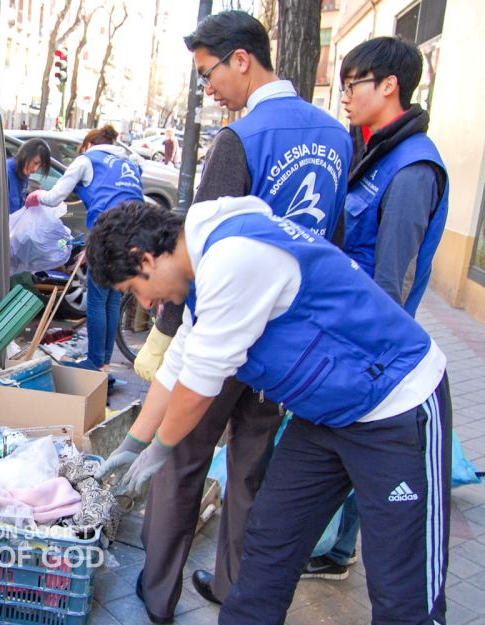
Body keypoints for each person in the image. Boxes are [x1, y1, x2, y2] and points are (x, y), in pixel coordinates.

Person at [92, 198, 450, 625]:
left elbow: (201, 382)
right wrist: (134, 444)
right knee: (268, 544)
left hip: (394, 406)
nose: (146, 304)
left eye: (134, 289)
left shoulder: (235, 257)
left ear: (145, 258)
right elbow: (179, 362)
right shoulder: (201, 262)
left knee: (402, 586)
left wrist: (161, 449)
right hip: (324, 415)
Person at [121, 11, 353, 622]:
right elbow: (336, 235)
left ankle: (158, 594)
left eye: (208, 73)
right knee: (250, 467)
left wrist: (166, 336)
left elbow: (186, 254)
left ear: (241, 58)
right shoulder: (335, 134)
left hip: (225, 328)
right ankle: (234, 587)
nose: (209, 89)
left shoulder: (241, 138)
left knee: (179, 459)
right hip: (288, 340)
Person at [301, 36, 449, 582]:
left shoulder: (411, 167)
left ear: (390, 85)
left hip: (369, 347)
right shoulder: (376, 150)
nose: (344, 95)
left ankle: (341, 551)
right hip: (346, 333)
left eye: (353, 83)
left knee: (366, 455)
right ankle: (336, 549)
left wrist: (359, 355)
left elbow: (393, 279)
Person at [24, 124, 144, 372]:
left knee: (97, 300)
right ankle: (105, 362)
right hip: (136, 232)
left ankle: (94, 361)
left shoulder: (86, 160)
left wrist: (36, 197)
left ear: (89, 144)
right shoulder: (128, 164)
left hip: (108, 230)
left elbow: (56, 196)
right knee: (112, 298)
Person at [6, 138, 52, 214]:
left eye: (40, 166)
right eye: (35, 163)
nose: (35, 169)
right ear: (25, 154)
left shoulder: (24, 174)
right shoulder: (5, 173)